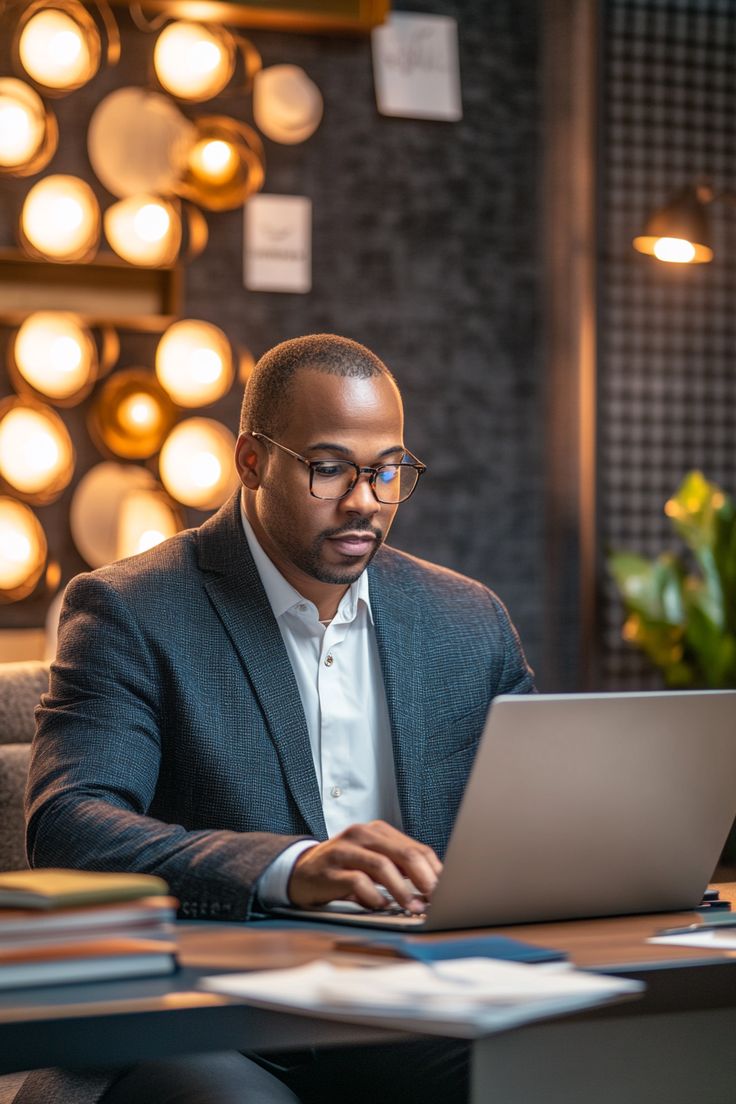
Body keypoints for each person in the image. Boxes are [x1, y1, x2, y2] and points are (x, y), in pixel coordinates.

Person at [21, 334, 534, 1104]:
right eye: (329, 468)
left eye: (387, 470)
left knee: (556, 1066)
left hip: (410, 1000)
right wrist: (291, 869)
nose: (364, 499)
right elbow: (69, 826)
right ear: (252, 461)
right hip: (205, 1018)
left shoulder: (466, 620)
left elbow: (541, 811)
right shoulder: (130, 609)